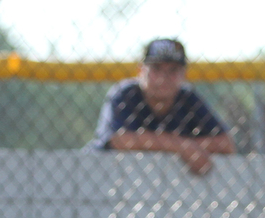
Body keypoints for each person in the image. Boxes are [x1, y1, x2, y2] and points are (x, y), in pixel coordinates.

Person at [90, 38, 235, 175]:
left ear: (183, 74)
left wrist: (181, 147)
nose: (163, 77)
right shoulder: (126, 93)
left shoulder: (187, 97)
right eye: (156, 69)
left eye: (173, 70)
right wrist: (182, 146)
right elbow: (119, 140)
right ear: (141, 70)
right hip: (105, 175)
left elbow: (226, 144)